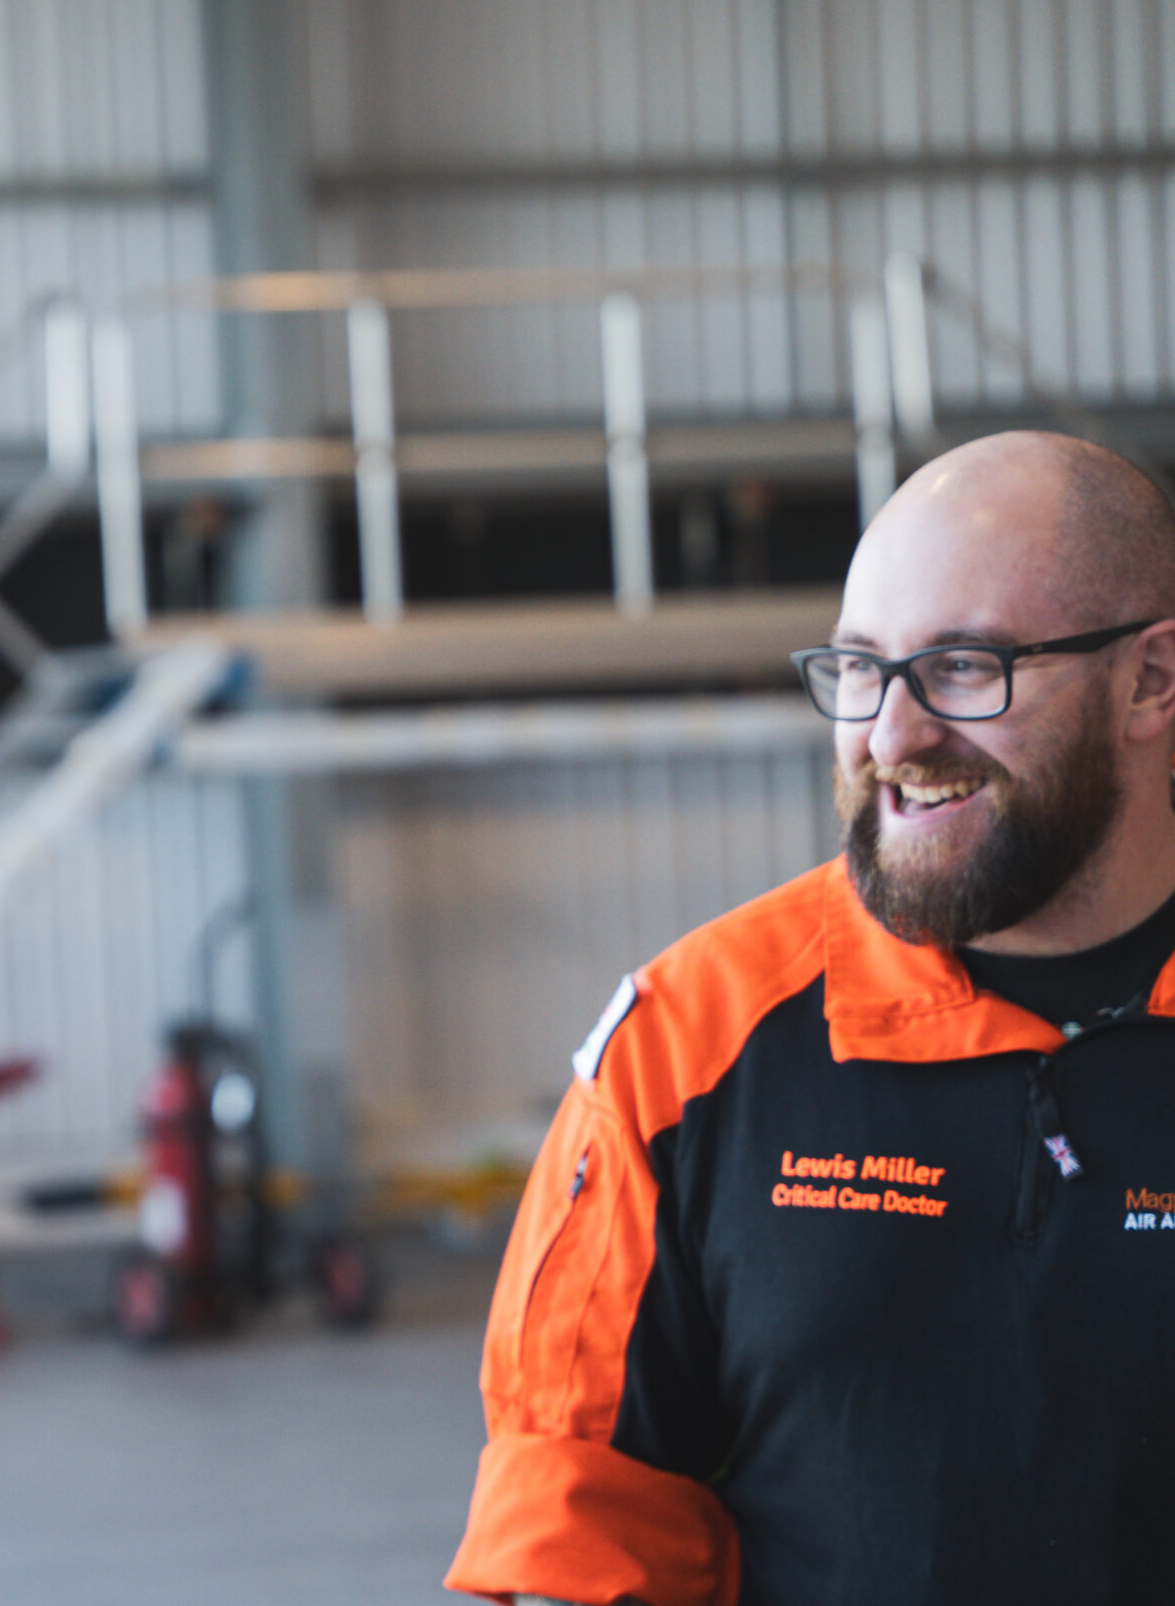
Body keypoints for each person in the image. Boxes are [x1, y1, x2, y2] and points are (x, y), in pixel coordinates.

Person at [447, 429, 1175, 1606]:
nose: (889, 736)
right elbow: (573, 1532)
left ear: (1149, 679)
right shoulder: (685, 1048)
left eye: (963, 667)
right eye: (858, 670)